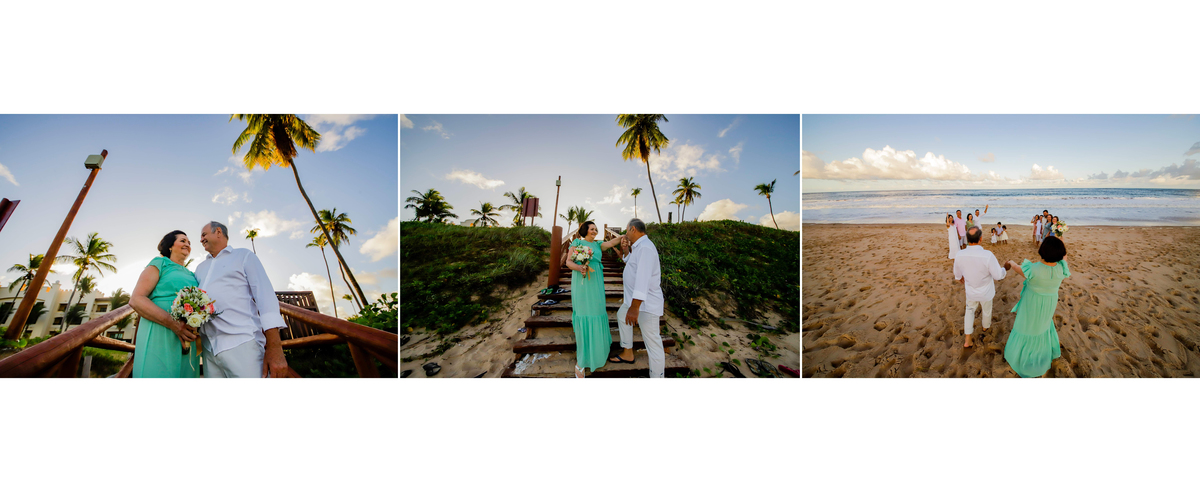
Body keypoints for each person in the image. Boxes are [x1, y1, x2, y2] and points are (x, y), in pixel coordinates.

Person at [195, 221, 290, 378]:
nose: (201, 239)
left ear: (218, 232)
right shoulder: (200, 268)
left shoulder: (244, 256)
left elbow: (265, 298)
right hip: (209, 349)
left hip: (242, 344)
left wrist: (275, 347)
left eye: (204, 234)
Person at [129, 231, 203, 378]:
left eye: (189, 243)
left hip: (187, 335)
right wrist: (174, 324)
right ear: (170, 246)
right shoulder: (160, 263)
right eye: (183, 241)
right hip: (159, 329)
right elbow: (136, 299)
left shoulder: (192, 274)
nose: (187, 244)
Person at [561, 220, 625, 378]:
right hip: (581, 282)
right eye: (592, 229)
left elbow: (611, 242)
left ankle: (599, 352)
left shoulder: (598, 245)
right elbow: (568, 261)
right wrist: (579, 267)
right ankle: (582, 360)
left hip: (596, 281)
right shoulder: (576, 242)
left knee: (597, 312)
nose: (595, 232)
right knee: (584, 314)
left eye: (596, 229)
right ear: (585, 230)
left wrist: (625, 235)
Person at [1003, 236, 1070, 377]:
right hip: (1049, 302)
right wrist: (1060, 238)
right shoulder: (1062, 269)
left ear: (1042, 251)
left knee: (1026, 326)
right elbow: (1064, 256)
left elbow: (1016, 268)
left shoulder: (1033, 269)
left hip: (1032, 302)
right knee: (1043, 324)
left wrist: (1010, 262)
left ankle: (1022, 357)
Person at [608, 218, 666, 378]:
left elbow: (643, 279)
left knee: (653, 343)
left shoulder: (646, 248)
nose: (625, 234)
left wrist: (634, 308)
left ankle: (658, 377)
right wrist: (625, 250)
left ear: (633, 229)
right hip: (633, 301)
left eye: (626, 230)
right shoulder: (638, 247)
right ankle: (628, 352)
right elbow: (630, 263)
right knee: (621, 315)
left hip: (645, 304)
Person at [953, 226, 1010, 348]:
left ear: (968, 239)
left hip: (971, 291)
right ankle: (985, 327)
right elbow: (998, 276)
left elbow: (957, 277)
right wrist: (1005, 268)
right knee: (987, 310)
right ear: (981, 239)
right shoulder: (987, 255)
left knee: (969, 311)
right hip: (986, 292)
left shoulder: (959, 255)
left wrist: (965, 279)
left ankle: (968, 339)